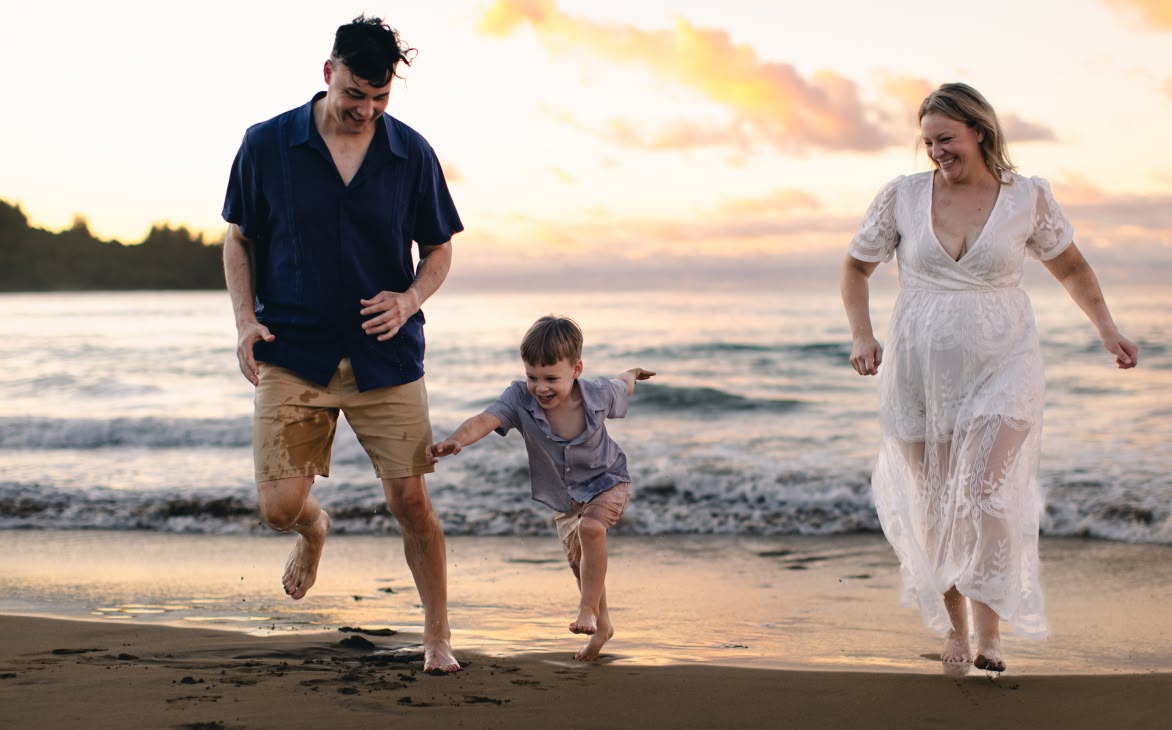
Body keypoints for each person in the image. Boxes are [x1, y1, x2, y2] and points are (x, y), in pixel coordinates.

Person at [840, 83, 1138, 674]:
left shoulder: (1027, 198)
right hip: (917, 370)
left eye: (945, 139)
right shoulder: (902, 196)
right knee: (935, 503)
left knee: (982, 492)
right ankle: (955, 628)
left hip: (1005, 361)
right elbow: (855, 267)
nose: (936, 152)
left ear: (980, 131)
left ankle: (991, 636)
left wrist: (1106, 328)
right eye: (927, 141)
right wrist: (862, 334)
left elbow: (1071, 267)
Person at [221, 15, 463, 673]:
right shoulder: (267, 144)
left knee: (409, 500)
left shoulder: (411, 153)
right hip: (293, 347)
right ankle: (314, 531)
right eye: (356, 95)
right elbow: (237, 237)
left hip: (386, 356)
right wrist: (245, 321)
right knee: (279, 508)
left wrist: (409, 299)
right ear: (329, 74)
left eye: (379, 100)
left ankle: (438, 638)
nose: (366, 112)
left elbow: (440, 249)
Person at [427, 315, 654, 661]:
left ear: (576, 369)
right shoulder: (520, 399)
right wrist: (457, 440)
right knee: (581, 563)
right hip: (566, 499)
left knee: (591, 530)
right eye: (533, 377)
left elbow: (622, 384)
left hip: (610, 481)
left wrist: (633, 373)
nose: (541, 387)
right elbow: (485, 420)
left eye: (551, 378)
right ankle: (603, 625)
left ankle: (587, 609)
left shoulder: (596, 395)